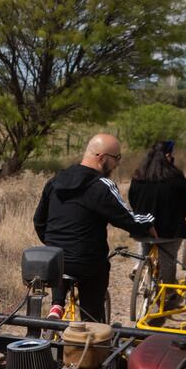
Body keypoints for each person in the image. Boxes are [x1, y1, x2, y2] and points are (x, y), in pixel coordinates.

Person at [34, 133, 156, 322]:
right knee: (92, 310)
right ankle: (92, 332)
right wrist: (149, 223)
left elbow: (39, 221)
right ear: (102, 158)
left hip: (53, 259)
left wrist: (53, 244)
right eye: (117, 158)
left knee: (61, 260)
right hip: (87, 263)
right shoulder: (101, 185)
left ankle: (57, 305)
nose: (117, 165)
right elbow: (126, 219)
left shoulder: (55, 180)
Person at [127, 140, 186, 303]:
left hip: (142, 228)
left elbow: (132, 200)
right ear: (168, 156)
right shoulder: (176, 176)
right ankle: (168, 291)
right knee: (168, 259)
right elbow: (185, 203)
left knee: (145, 242)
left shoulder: (138, 175)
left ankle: (140, 265)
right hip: (169, 230)